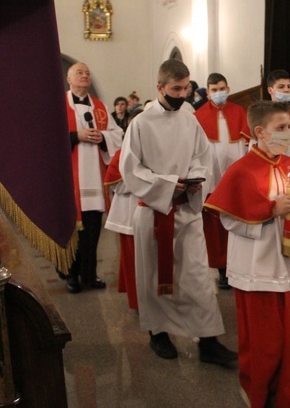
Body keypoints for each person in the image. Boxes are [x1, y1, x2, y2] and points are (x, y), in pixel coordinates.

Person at [205, 101, 290, 408]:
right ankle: (258, 397)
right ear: (260, 131)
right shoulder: (240, 170)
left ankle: (286, 397)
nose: (288, 134)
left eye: (289, 127)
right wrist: (271, 209)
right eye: (281, 128)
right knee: (264, 341)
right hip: (258, 268)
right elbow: (230, 220)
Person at [120, 59, 237, 365]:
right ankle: (158, 334)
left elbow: (202, 157)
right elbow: (131, 169)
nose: (183, 93)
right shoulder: (141, 124)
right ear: (160, 87)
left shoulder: (189, 119)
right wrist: (169, 184)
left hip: (187, 212)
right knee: (155, 276)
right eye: (176, 88)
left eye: (186, 87)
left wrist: (196, 180)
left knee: (199, 276)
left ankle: (208, 341)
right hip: (155, 212)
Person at [65, 62, 122, 293]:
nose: (85, 75)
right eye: (79, 72)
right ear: (69, 79)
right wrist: (76, 136)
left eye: (87, 73)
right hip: (70, 181)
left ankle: (89, 275)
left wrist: (104, 137)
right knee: (71, 232)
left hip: (95, 180)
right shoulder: (59, 105)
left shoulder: (100, 107)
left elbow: (117, 134)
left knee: (92, 230)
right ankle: (70, 275)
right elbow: (46, 137)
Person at [195, 72, 250, 289]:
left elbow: (246, 145)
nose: (219, 93)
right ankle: (222, 269)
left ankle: (237, 264)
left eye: (222, 89)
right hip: (212, 179)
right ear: (208, 92)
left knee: (236, 221)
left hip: (235, 176)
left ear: (228, 89)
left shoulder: (239, 112)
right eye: (214, 90)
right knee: (215, 226)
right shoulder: (198, 116)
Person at [103, 148, 139, 310]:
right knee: (133, 260)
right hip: (130, 213)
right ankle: (138, 301)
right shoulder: (123, 152)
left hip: (160, 211)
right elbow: (116, 185)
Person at [265, 69, 290, 163]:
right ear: (270, 90)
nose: (286, 90)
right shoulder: (263, 117)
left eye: (289, 86)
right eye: (281, 87)